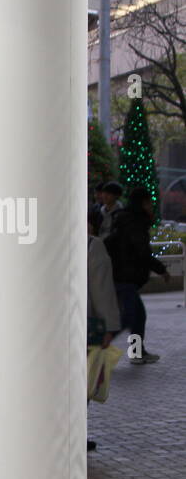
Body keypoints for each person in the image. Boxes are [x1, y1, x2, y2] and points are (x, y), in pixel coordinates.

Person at [105, 185, 171, 364]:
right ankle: (103, 341)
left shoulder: (122, 219)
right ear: (142, 203)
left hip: (121, 275)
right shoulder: (135, 222)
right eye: (149, 203)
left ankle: (137, 352)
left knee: (138, 315)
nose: (151, 206)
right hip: (126, 276)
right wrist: (161, 269)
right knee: (129, 316)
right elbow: (141, 251)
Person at [87, 206, 121, 452]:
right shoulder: (92, 246)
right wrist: (108, 326)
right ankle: (73, 432)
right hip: (83, 327)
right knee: (83, 381)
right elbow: (101, 290)